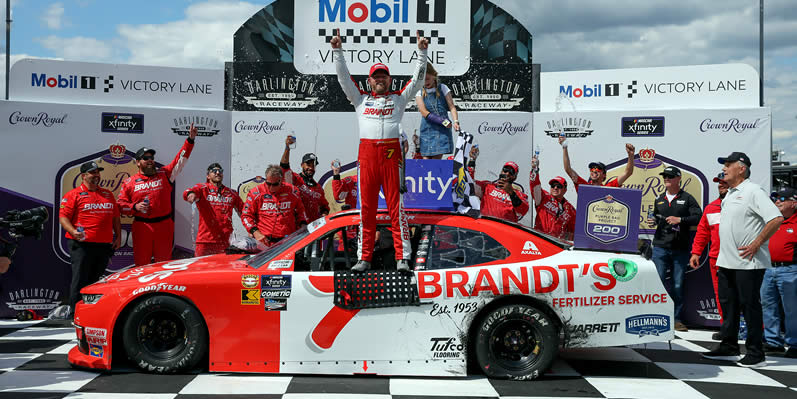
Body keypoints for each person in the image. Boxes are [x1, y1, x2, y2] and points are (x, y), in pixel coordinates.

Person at [331, 28, 428, 272]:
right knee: (367, 210)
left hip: (391, 157)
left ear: (390, 80)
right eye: (376, 76)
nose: (380, 79)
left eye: (384, 76)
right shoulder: (360, 99)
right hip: (367, 157)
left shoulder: (399, 98)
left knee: (397, 208)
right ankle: (364, 258)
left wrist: (422, 52)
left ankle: (402, 257)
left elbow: (417, 81)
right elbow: (343, 79)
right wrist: (337, 51)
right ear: (370, 81)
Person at [702, 152, 783, 368]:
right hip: (726, 261)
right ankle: (729, 347)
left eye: (728, 164)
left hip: (749, 262)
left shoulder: (753, 191)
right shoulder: (729, 194)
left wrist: (757, 243)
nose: (725, 168)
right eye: (724, 164)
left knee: (750, 306)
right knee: (728, 305)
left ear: (742, 168)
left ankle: (756, 353)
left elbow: (776, 218)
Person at [118, 124, 197, 266]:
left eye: (151, 157)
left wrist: (190, 140)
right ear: (137, 163)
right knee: (142, 265)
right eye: (145, 158)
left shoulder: (165, 174)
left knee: (163, 265)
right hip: (142, 227)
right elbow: (120, 206)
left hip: (164, 225)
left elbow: (181, 159)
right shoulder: (129, 182)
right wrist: (135, 206)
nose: (150, 160)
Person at [59, 161, 122, 314]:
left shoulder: (107, 194)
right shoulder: (73, 195)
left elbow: (115, 218)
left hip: (103, 245)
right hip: (82, 244)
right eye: (92, 173)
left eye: (97, 172)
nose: (96, 176)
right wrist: (73, 231)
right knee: (80, 279)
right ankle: (75, 312)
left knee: (96, 280)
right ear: (83, 176)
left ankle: (92, 311)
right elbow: (63, 217)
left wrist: (118, 236)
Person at [647, 166, 701, 332]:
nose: (666, 179)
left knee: (678, 285)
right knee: (658, 284)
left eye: (670, 176)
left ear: (678, 178)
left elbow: (699, 217)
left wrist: (680, 219)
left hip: (680, 248)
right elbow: (655, 217)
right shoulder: (659, 198)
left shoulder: (687, 198)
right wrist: (653, 222)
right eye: (665, 176)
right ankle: (656, 316)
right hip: (660, 247)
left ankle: (676, 319)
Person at [690, 172, 730, 339]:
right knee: (721, 296)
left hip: (739, 259)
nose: (721, 185)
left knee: (745, 296)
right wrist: (696, 252)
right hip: (716, 259)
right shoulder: (711, 207)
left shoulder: (742, 204)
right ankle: (726, 328)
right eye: (719, 183)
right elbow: (702, 233)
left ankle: (750, 329)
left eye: (724, 182)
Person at [761, 187, 797, 358]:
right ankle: (773, 342)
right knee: (768, 306)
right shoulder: (772, 220)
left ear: (794, 203)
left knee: (792, 309)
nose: (777, 202)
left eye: (782, 199)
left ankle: (794, 343)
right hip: (768, 268)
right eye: (775, 199)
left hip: (790, 269)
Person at [183, 163, 244, 256]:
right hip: (205, 241)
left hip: (225, 241)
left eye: (220, 171)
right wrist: (190, 194)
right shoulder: (202, 188)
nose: (218, 173)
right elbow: (188, 191)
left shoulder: (232, 193)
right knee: (201, 269)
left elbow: (245, 213)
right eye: (214, 171)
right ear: (208, 175)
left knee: (223, 269)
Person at [241, 165, 308, 246]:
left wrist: (303, 226)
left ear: (281, 180)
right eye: (268, 184)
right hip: (265, 242)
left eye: (275, 184)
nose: (271, 188)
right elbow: (246, 216)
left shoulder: (293, 191)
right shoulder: (256, 192)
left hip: (288, 241)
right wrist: (255, 232)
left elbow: (301, 212)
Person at [415, 63, 459, 159]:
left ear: (434, 75)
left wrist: (455, 121)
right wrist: (442, 121)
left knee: (436, 163)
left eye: (427, 79)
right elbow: (424, 112)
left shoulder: (443, 88)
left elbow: (452, 107)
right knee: (426, 163)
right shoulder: (419, 92)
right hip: (427, 131)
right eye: (423, 80)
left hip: (442, 131)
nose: (425, 82)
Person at [280, 137, 330, 222]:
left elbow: (325, 207)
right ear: (302, 165)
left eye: (313, 165)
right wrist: (287, 148)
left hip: (311, 229)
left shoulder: (318, 189)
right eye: (308, 164)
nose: (310, 167)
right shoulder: (294, 179)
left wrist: (323, 216)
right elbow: (284, 167)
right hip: (296, 228)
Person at [559, 136, 635, 191]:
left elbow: (628, 172)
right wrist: (564, 147)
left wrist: (631, 155)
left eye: (598, 169)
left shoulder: (609, 187)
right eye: (592, 169)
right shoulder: (583, 186)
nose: (594, 170)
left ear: (604, 174)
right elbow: (568, 169)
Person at [529, 154, 576, 240]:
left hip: (556, 245)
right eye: (553, 185)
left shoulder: (570, 209)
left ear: (565, 190)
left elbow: (572, 232)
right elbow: (535, 185)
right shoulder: (543, 197)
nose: (555, 188)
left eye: (559, 186)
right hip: (539, 240)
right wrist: (535, 170)